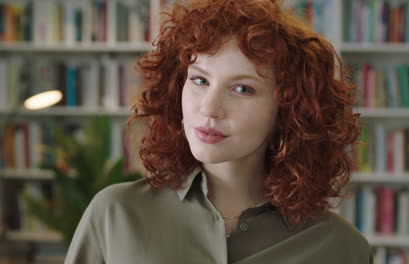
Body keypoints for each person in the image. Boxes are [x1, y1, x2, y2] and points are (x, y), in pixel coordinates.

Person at [65, 0, 373, 263]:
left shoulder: (341, 247)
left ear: (288, 110)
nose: (209, 108)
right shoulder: (115, 213)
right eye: (200, 80)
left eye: (242, 88)